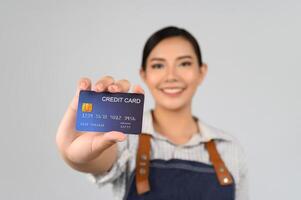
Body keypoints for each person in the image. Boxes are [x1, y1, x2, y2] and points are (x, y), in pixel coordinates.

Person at [56, 26, 249, 200]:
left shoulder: (230, 149)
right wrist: (75, 155)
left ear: (201, 71)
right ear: (144, 74)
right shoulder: (127, 139)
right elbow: (97, 159)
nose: (171, 76)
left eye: (184, 64)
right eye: (158, 65)